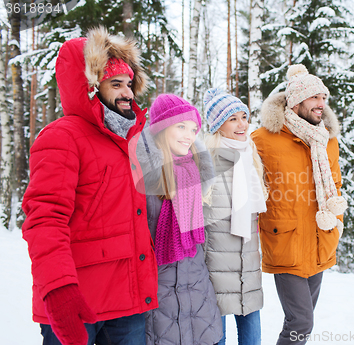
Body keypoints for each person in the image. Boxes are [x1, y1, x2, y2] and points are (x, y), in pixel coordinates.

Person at [21, 27, 158, 345]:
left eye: (128, 84)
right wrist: (58, 290)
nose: (127, 93)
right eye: (115, 84)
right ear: (91, 87)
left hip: (128, 304)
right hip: (78, 303)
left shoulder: (130, 141)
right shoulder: (62, 136)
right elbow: (44, 219)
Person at [251, 64, 348, 345]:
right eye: (315, 97)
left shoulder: (327, 140)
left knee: (301, 321)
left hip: (320, 238)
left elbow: (336, 183)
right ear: (296, 101)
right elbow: (248, 184)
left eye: (324, 98)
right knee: (301, 321)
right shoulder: (263, 139)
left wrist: (337, 222)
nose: (322, 104)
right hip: (285, 242)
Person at [133, 93, 223, 345]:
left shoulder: (195, 172)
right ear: (161, 128)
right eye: (181, 126)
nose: (188, 135)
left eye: (193, 128)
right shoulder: (142, 176)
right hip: (158, 300)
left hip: (198, 299)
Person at [202, 88, 268, 345]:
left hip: (248, 266)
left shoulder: (251, 157)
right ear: (218, 125)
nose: (242, 124)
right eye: (233, 119)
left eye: (244, 116)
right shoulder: (207, 161)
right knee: (216, 338)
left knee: (252, 338)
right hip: (215, 266)